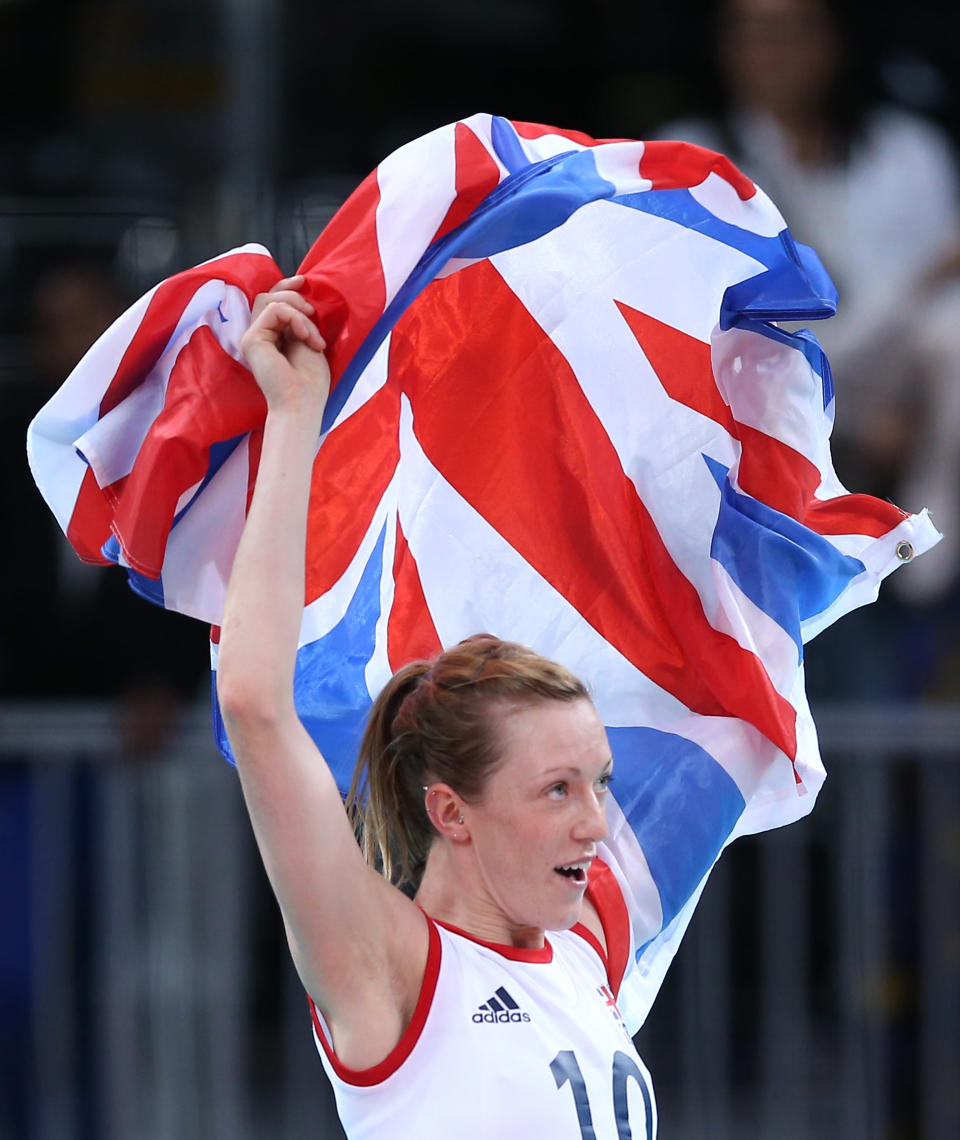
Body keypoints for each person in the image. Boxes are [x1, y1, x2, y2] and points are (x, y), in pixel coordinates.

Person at [216, 277, 657, 1138]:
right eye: (558, 790)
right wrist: (295, 414)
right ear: (452, 811)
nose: (599, 825)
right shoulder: (389, 968)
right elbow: (253, 701)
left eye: (600, 783)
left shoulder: (583, 948)